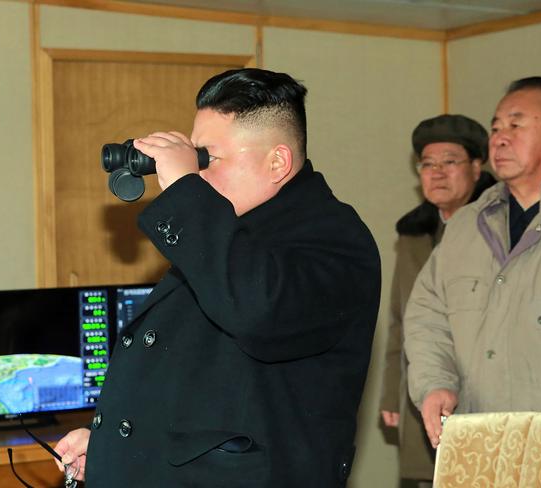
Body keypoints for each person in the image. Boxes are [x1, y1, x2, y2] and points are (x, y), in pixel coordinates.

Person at [54, 68, 381, 487]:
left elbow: (258, 314)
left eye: (210, 159)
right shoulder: (229, 235)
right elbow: (201, 383)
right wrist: (116, 449)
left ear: (278, 161)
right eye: (196, 159)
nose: (200, 174)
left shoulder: (334, 237)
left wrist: (185, 189)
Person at [404, 76, 541, 451]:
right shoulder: (467, 224)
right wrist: (435, 384)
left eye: (516, 124)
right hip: (479, 444)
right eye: (495, 127)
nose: (499, 137)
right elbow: (428, 315)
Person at [379, 114, 496, 487]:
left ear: (477, 167)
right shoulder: (413, 233)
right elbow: (401, 318)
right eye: (427, 165)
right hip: (422, 390)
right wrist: (390, 391)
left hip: (484, 391)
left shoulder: (498, 230)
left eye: (450, 162)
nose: (437, 173)